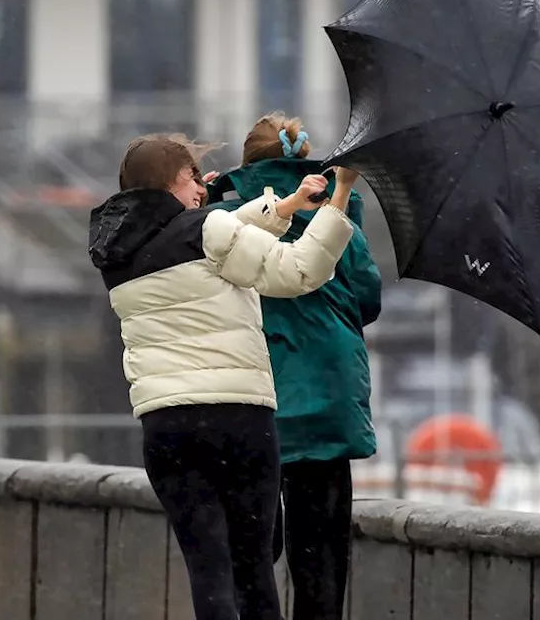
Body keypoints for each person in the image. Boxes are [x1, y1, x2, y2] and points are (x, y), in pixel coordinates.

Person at [88, 132, 360, 620]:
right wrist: (339, 195)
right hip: (237, 420)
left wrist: (288, 206)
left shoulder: (119, 252)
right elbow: (300, 271)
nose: (201, 186)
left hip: (166, 429)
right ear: (174, 181)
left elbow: (212, 238)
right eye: (193, 177)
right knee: (252, 569)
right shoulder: (205, 229)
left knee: (208, 570)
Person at [209, 113, 383, 620]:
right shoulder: (339, 206)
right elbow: (367, 300)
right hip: (328, 386)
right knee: (322, 556)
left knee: (252, 549)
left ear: (248, 161)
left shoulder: (228, 213)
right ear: (304, 157)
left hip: (256, 390)